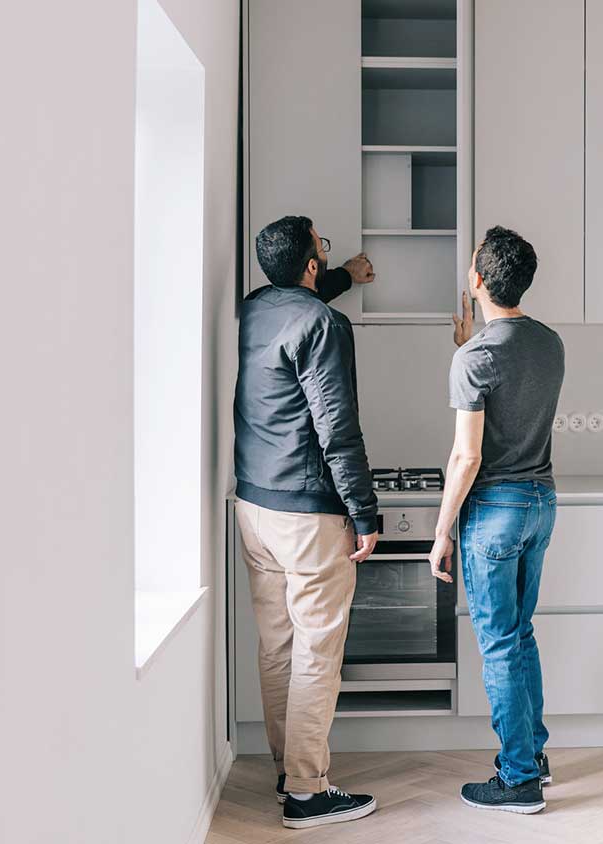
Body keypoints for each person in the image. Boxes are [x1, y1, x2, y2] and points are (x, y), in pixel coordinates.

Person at [233, 215, 380, 829]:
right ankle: (307, 791)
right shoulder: (324, 324)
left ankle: (285, 769)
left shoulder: (253, 308)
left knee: (278, 646)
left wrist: (344, 274)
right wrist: (364, 512)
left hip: (253, 507)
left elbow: (300, 303)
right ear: (311, 264)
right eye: (323, 246)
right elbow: (336, 427)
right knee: (317, 649)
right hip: (306, 512)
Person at [429, 226, 565, 814]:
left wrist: (441, 532)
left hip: (495, 511)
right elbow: (513, 374)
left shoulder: (476, 357)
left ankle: (517, 782)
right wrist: (471, 342)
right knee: (520, 634)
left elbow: (467, 456)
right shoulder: (550, 343)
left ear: (477, 279)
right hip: (540, 502)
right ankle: (532, 757)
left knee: (499, 644)